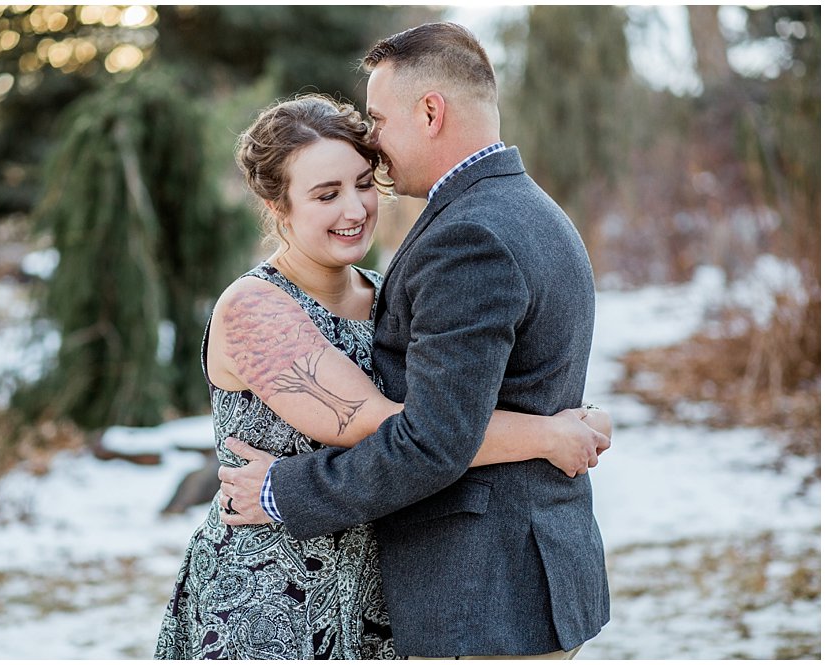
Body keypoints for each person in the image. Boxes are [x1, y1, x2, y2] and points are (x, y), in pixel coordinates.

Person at [155, 93, 610, 659]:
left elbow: (458, 396)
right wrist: (547, 435)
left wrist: (570, 414)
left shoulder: (383, 290)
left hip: (387, 597)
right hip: (276, 599)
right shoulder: (254, 310)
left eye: (363, 184)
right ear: (277, 207)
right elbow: (386, 425)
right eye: (326, 194)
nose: (355, 210)